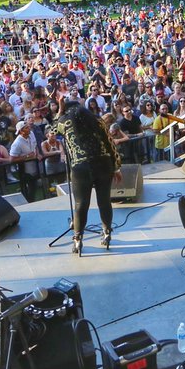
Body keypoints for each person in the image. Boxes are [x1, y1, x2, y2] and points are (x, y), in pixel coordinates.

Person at [55, 100, 121, 255]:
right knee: (104, 200)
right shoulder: (97, 119)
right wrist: (117, 166)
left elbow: (53, 129)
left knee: (81, 204)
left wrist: (60, 110)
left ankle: (77, 240)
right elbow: (109, 142)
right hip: (104, 163)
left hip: (81, 166)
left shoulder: (64, 122)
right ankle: (107, 233)